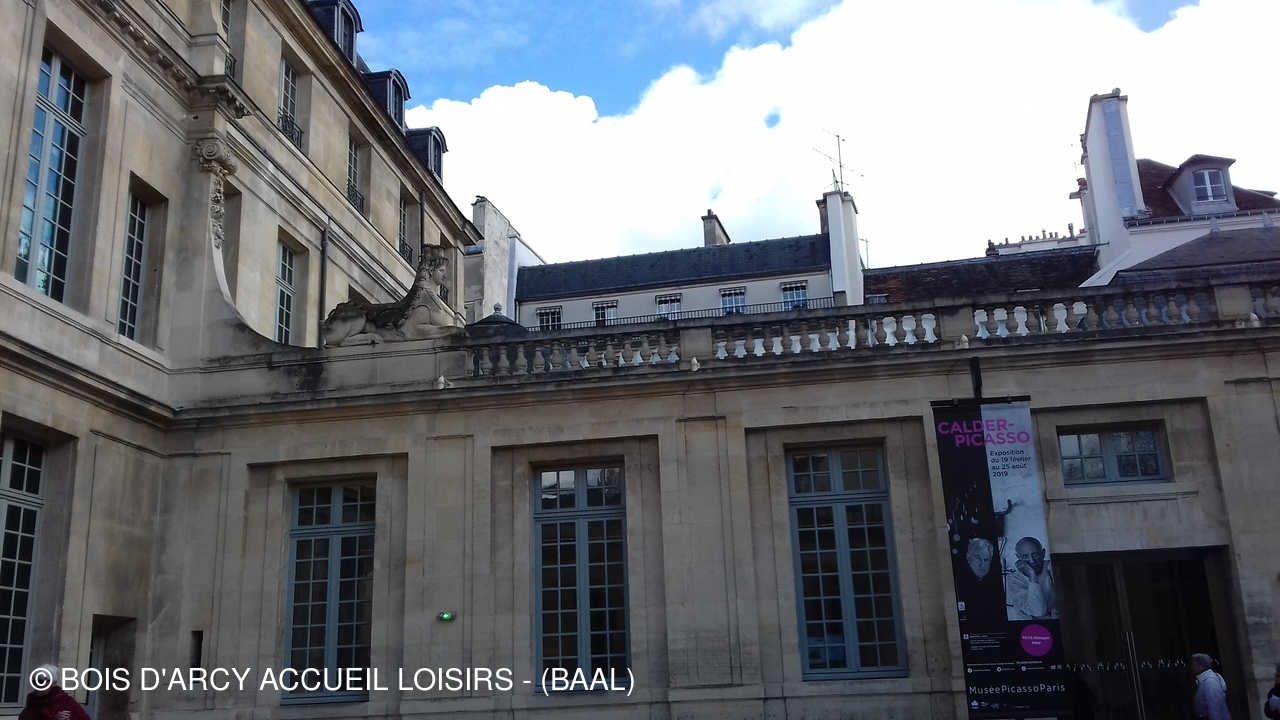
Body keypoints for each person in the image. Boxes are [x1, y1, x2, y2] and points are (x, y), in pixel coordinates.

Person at [956, 537, 1006, 627]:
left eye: (986, 560)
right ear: (968, 558)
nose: (982, 564)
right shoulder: (959, 585)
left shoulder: (996, 587)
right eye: (978, 558)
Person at [1006, 536, 1057, 620]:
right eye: (1025, 556)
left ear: (1043, 553)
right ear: (1018, 557)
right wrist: (1031, 574)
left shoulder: (1052, 568)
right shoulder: (1015, 580)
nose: (1032, 561)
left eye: (1035, 554)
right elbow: (1038, 611)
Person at [19, 664, 90, 720]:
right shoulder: (31, 704)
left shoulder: (67, 703)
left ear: (53, 683)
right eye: (34, 682)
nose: (37, 685)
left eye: (41, 681)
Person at [1190, 653, 1232, 720]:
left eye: (1193, 664)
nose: (1192, 667)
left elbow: (1215, 709)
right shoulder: (1204, 681)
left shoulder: (1210, 682)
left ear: (1201, 666)